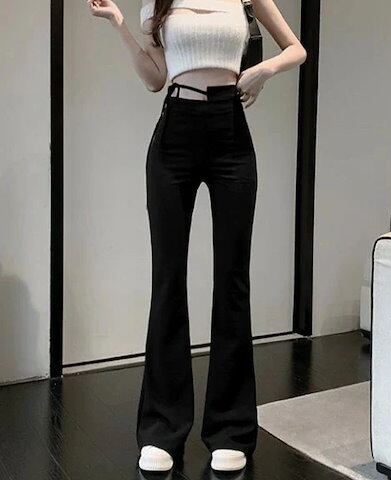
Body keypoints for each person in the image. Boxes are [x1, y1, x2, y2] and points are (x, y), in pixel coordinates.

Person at [87, 0, 306, 473]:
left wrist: (263, 70)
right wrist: (120, 23)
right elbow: (154, 78)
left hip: (231, 135)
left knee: (232, 281)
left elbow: (297, 49)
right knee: (168, 280)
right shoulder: (160, 2)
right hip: (175, 134)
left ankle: (230, 429)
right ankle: (162, 428)